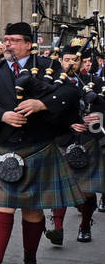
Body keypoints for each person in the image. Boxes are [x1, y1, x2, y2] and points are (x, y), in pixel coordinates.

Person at [0, 22, 83, 264]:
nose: (7, 44)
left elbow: (72, 92)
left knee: (32, 210)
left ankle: (31, 260)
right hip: (5, 146)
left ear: (29, 44)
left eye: (14, 40)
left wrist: (43, 103)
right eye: (5, 40)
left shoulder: (48, 67)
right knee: (2, 206)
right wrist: (2, 115)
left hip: (38, 144)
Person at [47, 45, 103, 243]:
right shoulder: (52, 83)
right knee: (60, 187)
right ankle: (58, 228)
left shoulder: (93, 82)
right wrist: (69, 124)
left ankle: (85, 225)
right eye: (67, 59)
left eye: (75, 60)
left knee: (87, 188)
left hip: (88, 140)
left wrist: (98, 116)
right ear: (60, 60)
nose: (71, 63)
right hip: (62, 139)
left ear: (81, 62)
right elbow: (46, 112)